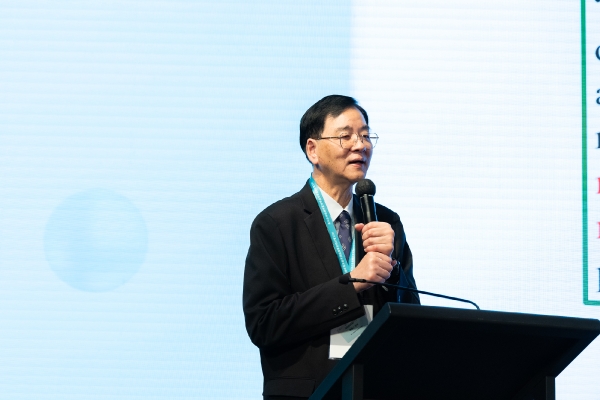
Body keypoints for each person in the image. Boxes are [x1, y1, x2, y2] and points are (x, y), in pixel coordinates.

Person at [243, 95, 419, 400]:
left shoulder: (385, 222)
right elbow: (264, 324)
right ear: (313, 149)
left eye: (366, 135)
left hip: (374, 388)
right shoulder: (277, 223)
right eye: (345, 136)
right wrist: (352, 284)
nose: (360, 145)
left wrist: (392, 270)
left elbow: (412, 318)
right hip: (308, 393)